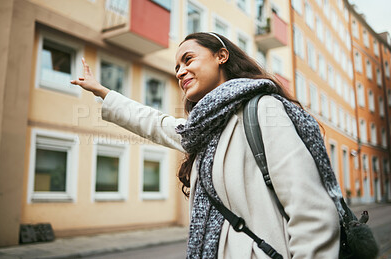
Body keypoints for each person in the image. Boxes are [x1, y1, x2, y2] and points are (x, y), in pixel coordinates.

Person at [71, 32, 341, 259]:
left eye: (188, 60)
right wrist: (103, 92)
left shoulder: (263, 110)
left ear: (221, 56)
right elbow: (153, 122)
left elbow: (312, 214)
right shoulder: (201, 131)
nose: (180, 72)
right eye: (176, 67)